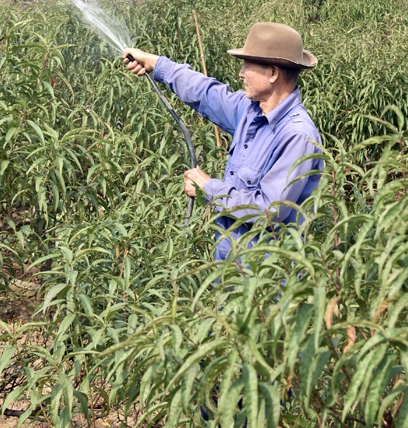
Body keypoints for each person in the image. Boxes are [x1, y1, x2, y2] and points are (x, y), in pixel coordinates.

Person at [124, 22, 323, 259]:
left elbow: (270, 209)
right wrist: (155, 63)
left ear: (272, 73)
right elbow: (206, 92)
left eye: (247, 65)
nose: (240, 73)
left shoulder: (296, 135)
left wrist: (209, 188)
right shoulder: (250, 111)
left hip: (266, 281)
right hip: (230, 266)